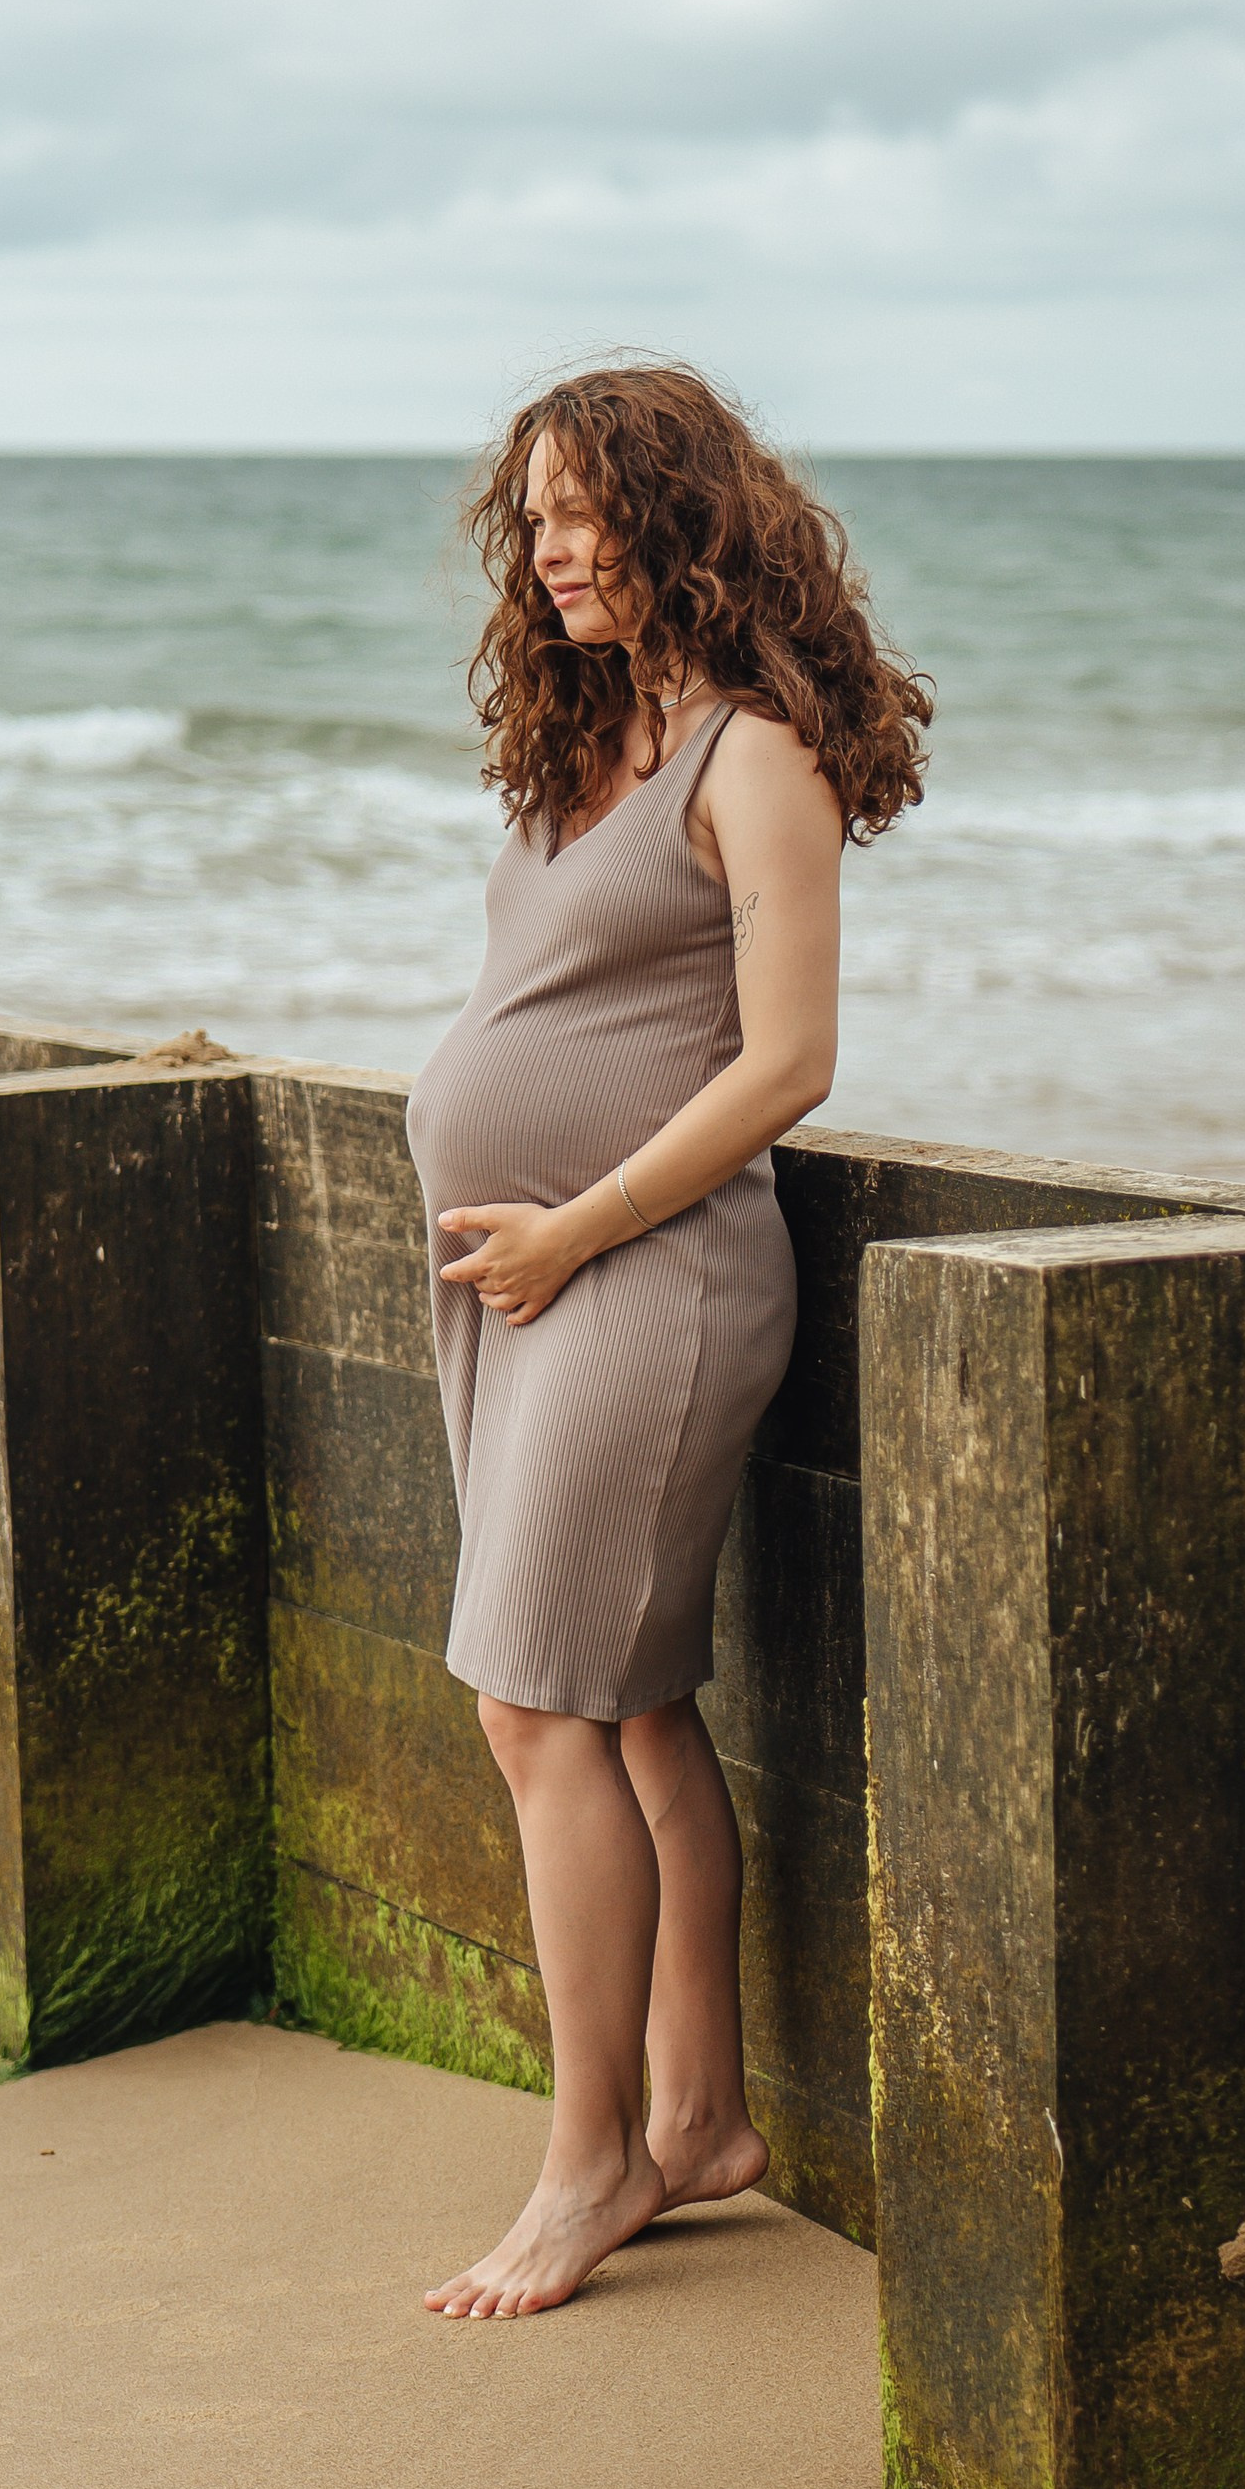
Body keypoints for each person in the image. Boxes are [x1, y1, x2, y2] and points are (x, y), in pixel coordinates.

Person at [406, 360, 930, 2317]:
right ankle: (700, 2115)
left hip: (651, 1274)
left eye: (574, 511)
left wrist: (575, 1225)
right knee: (620, 1705)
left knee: (535, 1705)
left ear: (673, 516)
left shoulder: (750, 753)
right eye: (525, 516)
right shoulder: (580, 743)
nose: (540, 547)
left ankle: (589, 2158)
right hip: (525, 1276)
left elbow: (788, 1059)